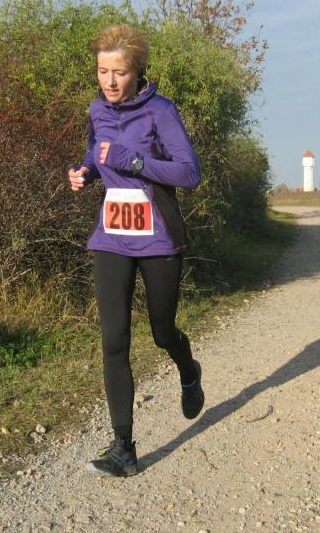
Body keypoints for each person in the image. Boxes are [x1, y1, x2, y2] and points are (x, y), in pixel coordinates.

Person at [67, 24, 205, 477]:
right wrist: (85, 172)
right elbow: (95, 150)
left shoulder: (160, 111)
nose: (109, 82)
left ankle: (188, 369)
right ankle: (123, 447)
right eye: (102, 71)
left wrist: (135, 161)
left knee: (162, 332)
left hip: (158, 236)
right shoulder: (97, 109)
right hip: (112, 236)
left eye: (119, 72)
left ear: (137, 71)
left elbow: (189, 173)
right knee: (114, 341)